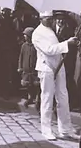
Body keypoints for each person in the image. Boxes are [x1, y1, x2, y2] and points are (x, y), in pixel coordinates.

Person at [31, 11, 78, 140]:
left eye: (51, 18)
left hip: (59, 64)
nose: (50, 21)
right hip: (46, 67)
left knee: (63, 97)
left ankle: (65, 129)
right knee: (47, 98)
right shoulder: (37, 33)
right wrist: (67, 43)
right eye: (47, 19)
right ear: (41, 19)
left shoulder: (51, 30)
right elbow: (49, 50)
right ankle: (46, 129)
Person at [17, 26, 39, 108]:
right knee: (28, 85)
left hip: (34, 70)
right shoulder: (24, 46)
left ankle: (37, 99)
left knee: (36, 85)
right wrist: (20, 67)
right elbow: (21, 57)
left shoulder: (36, 46)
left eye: (26, 35)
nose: (24, 36)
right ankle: (30, 98)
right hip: (26, 70)